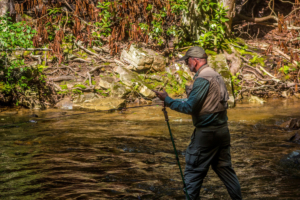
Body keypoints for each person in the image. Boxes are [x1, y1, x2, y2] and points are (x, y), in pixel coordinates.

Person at [153, 46, 242, 200]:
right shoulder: (216, 75)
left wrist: (167, 101)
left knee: (192, 174)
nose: (187, 65)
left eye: (188, 61)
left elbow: (190, 107)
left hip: (207, 135)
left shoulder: (202, 79)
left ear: (195, 60)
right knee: (225, 171)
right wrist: (172, 101)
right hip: (222, 132)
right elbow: (205, 103)